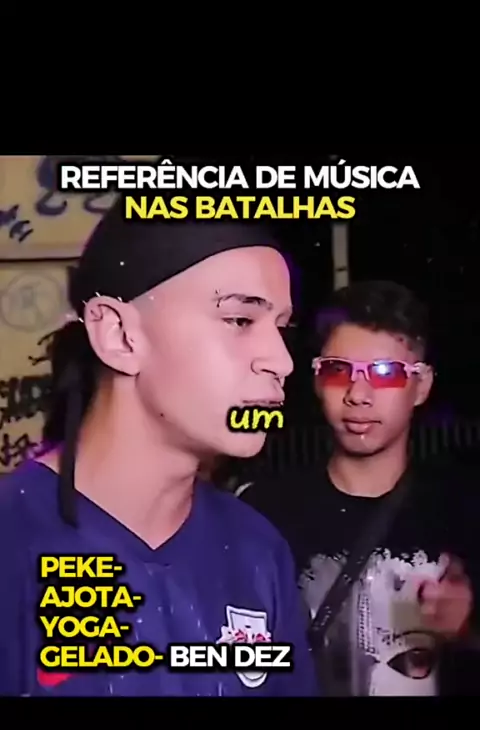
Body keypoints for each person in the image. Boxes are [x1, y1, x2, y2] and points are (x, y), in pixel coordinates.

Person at [0, 190, 318, 697]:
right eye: (240, 320)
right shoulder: (13, 543)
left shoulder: (258, 551)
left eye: (281, 328)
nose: (280, 361)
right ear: (119, 336)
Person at [239, 280, 479, 696]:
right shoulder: (261, 511)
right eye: (338, 370)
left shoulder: (463, 510)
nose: (358, 395)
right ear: (317, 380)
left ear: (421, 386)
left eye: (386, 374)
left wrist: (466, 630)